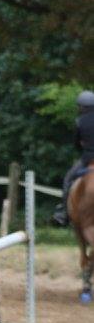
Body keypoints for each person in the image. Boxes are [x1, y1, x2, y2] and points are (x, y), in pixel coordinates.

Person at [52, 89, 94, 226]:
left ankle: (64, 213)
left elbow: (76, 143)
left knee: (68, 179)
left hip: (88, 158)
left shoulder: (80, 122)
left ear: (82, 106)